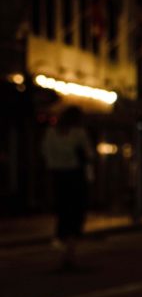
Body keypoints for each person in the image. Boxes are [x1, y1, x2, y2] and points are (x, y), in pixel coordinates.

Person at [40, 106, 93, 270]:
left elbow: (45, 152)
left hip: (57, 175)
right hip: (74, 175)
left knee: (63, 211)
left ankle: (64, 248)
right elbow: (89, 154)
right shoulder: (78, 134)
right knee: (75, 212)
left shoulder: (51, 133)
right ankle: (69, 250)